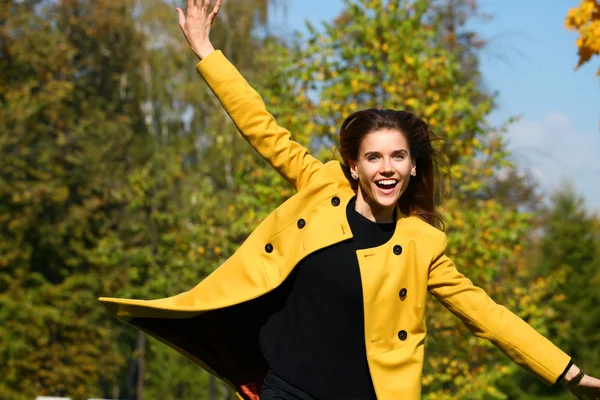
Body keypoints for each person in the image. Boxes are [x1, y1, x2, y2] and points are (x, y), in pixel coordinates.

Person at [99, 1, 600, 399]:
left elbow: (489, 316)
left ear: (411, 166)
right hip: (283, 390)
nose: (387, 168)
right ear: (353, 166)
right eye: (375, 157)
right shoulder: (320, 188)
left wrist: (569, 374)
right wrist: (207, 51)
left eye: (398, 157)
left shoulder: (422, 244)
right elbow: (263, 128)